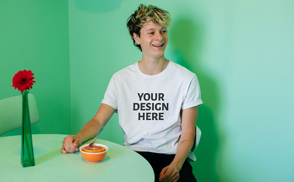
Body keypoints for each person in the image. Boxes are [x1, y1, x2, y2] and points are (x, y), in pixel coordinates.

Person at [61, 4, 202, 182]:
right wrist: (78, 138)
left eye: (163, 31)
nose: (159, 37)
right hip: (133, 156)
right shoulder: (121, 79)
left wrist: (176, 165)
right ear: (136, 37)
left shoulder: (186, 78)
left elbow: (188, 133)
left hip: (172, 157)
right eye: (151, 32)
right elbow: (98, 120)